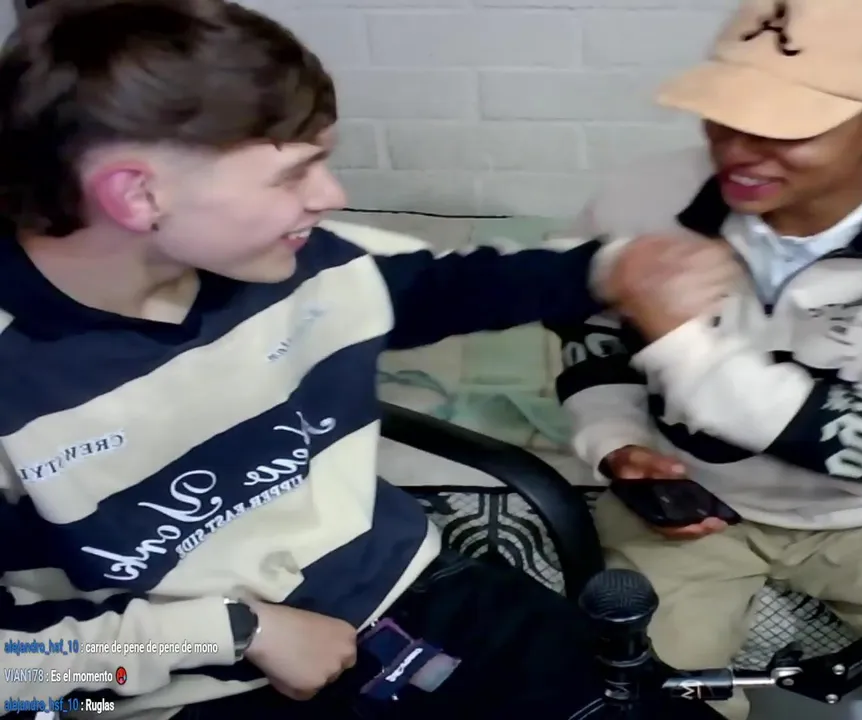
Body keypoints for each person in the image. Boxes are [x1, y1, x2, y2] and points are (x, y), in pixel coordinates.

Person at [0, 1, 737, 718]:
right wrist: (234, 632)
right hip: (190, 686)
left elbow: (452, 286)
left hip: (417, 595)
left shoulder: (308, 265)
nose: (331, 195)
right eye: (294, 173)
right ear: (137, 194)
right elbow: (16, 674)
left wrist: (617, 271)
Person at [550, 0, 862, 718]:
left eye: (786, 128)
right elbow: (587, 333)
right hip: (693, 494)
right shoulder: (640, 197)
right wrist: (615, 442)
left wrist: (676, 340)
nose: (739, 151)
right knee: (641, 702)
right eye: (724, 115)